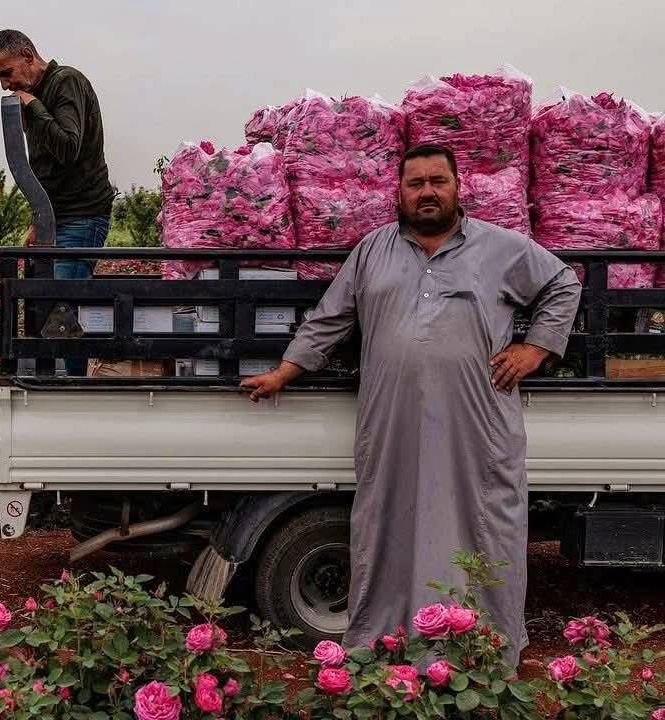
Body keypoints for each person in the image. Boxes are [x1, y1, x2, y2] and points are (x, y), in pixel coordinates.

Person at [241, 144, 581, 663]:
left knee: (484, 525)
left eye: (437, 181)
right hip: (391, 418)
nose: (427, 192)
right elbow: (331, 318)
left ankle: (480, 650)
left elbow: (562, 282)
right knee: (386, 523)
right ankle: (385, 642)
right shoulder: (373, 250)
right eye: (415, 183)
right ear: (398, 192)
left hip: (478, 421)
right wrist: (286, 371)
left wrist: (536, 346)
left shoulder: (501, 248)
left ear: (457, 187)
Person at [0, 29, 115, 374]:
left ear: (27, 54)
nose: (5, 85)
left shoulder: (66, 82)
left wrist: (34, 106)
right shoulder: (35, 96)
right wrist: (39, 219)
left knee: (61, 306)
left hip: (83, 213)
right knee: (50, 303)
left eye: (6, 73)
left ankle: (71, 389)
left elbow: (68, 147)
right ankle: (64, 381)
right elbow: (45, 168)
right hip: (58, 216)